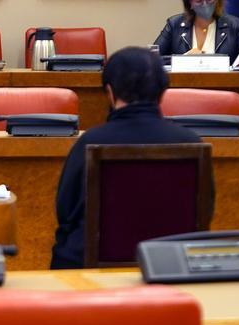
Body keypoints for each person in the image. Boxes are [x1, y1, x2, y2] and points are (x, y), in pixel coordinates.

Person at [50, 47, 212, 269]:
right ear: (163, 92)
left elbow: (65, 214)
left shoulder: (90, 141)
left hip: (90, 275)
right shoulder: (192, 142)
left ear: (110, 91)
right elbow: (205, 212)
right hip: (172, 269)